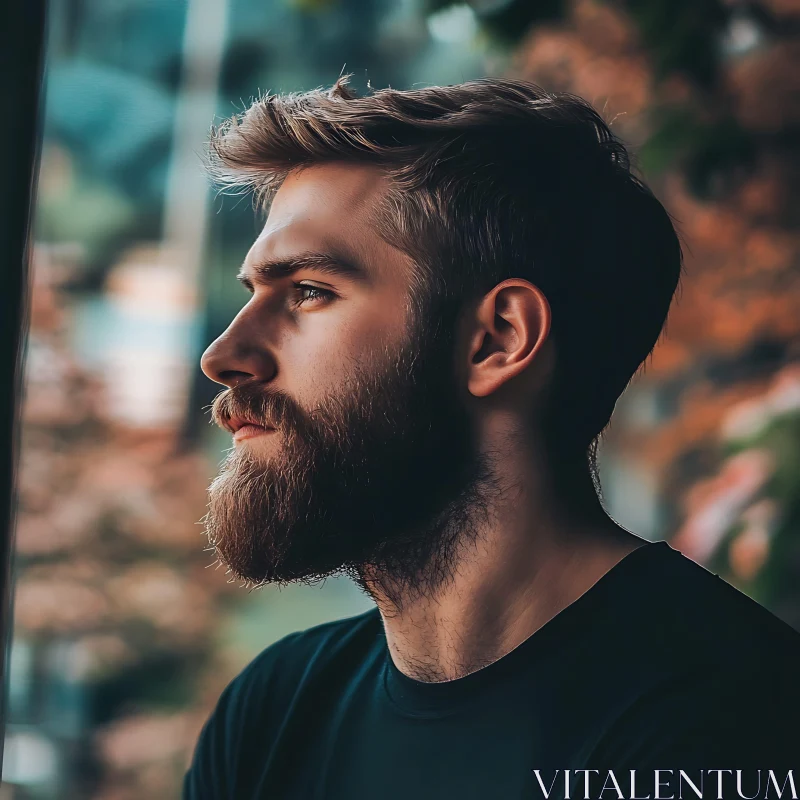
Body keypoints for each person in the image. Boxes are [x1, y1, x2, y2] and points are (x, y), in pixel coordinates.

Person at [184, 77, 800, 800]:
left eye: (308, 291)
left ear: (496, 340)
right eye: (250, 292)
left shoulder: (728, 725)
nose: (224, 356)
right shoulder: (274, 711)